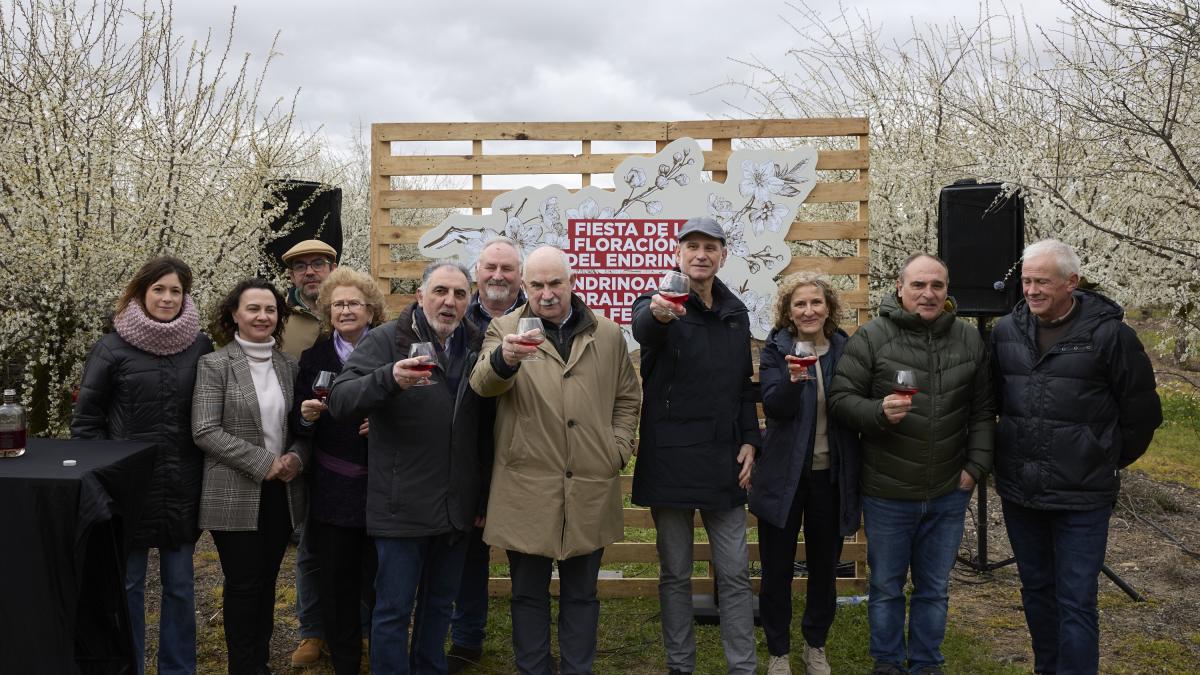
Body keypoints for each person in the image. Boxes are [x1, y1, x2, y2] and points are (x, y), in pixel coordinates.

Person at [991, 239, 1162, 675]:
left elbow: (1142, 414)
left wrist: (1102, 458)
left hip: (1082, 497)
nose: (1031, 290)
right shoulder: (1006, 332)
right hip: (1021, 493)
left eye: (1042, 281)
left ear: (1072, 282)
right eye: (1026, 280)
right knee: (1036, 591)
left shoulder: (1111, 336)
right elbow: (992, 402)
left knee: (1077, 599)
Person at [470, 246, 640, 675]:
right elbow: (482, 385)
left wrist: (615, 449)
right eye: (537, 285)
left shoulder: (607, 333)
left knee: (583, 593)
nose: (547, 294)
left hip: (589, 482)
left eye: (555, 283)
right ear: (524, 286)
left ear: (572, 281)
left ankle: (577, 669)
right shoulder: (504, 328)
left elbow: (627, 397)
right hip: (527, 488)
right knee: (527, 594)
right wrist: (504, 359)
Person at [828, 253, 994, 675]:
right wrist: (877, 412)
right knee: (885, 588)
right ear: (900, 288)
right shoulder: (871, 337)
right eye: (919, 285)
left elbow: (982, 411)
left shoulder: (968, 339)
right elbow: (840, 399)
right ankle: (887, 663)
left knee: (934, 589)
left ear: (947, 291)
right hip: (888, 491)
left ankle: (926, 664)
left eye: (937, 285)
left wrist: (974, 467)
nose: (928, 293)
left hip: (947, 491)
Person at [327, 261, 491, 675]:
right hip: (401, 505)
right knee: (393, 610)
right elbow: (341, 399)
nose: (449, 302)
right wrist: (388, 379)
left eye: (458, 294)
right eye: (440, 291)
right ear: (420, 296)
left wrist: (481, 495)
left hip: (455, 506)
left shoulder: (476, 344)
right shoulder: (387, 341)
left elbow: (486, 429)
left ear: (469, 300)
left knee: (439, 606)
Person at [629, 216, 760, 675]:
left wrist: (750, 440)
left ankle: (742, 666)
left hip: (724, 458)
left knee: (735, 572)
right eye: (693, 246)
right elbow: (647, 326)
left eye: (710, 247)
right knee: (675, 574)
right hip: (669, 457)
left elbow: (745, 386)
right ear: (677, 254)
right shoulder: (657, 302)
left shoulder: (735, 312)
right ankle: (680, 665)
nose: (701, 254)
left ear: (723, 255)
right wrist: (664, 311)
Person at [71, 256, 213, 675]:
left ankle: (177, 668)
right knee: (127, 588)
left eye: (176, 291)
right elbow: (86, 422)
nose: (168, 298)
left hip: (182, 485)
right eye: (159, 289)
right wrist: (102, 479)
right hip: (127, 489)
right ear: (140, 292)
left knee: (181, 588)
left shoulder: (200, 344)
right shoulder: (111, 347)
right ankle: (127, 665)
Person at [192, 279, 308, 675]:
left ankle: (260, 661)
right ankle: (244, 666)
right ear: (234, 315)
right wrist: (263, 462)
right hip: (234, 491)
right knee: (243, 584)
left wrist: (295, 457)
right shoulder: (214, 364)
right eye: (253, 309)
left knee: (269, 581)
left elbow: (301, 427)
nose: (263, 316)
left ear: (279, 317)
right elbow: (205, 430)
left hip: (281, 491)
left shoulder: (289, 366)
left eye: (270, 310)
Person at [750, 273, 862, 675]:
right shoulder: (775, 350)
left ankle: (815, 645)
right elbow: (776, 408)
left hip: (829, 477)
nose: (809, 310)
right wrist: (797, 378)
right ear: (788, 311)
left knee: (823, 569)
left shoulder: (846, 350)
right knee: (776, 571)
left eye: (816, 302)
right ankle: (778, 650)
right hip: (783, 476)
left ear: (828, 308)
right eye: (800, 304)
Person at [291, 268, 386, 675]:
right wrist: (308, 418)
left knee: (381, 582)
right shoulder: (314, 358)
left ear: (371, 310)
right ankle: (345, 662)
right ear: (328, 311)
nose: (346, 310)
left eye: (354, 303)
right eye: (339, 304)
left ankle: (383, 657)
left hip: (383, 487)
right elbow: (296, 425)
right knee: (337, 583)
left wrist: (384, 423)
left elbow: (412, 406)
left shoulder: (389, 350)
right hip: (332, 488)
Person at [449, 236, 526, 674]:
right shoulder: (459, 317)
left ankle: (528, 643)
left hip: (521, 450)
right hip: (468, 451)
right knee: (469, 553)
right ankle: (466, 638)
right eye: (490, 268)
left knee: (524, 555)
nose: (498, 276)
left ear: (520, 276)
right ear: (477, 272)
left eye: (507, 269)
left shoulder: (536, 319)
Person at [280, 238, 338, 666]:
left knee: (357, 542)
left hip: (353, 442)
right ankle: (312, 631)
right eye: (301, 267)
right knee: (310, 543)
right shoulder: (280, 318)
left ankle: (355, 625)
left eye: (318, 263)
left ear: (333, 266)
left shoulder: (354, 305)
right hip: (300, 439)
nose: (310, 272)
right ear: (292, 275)